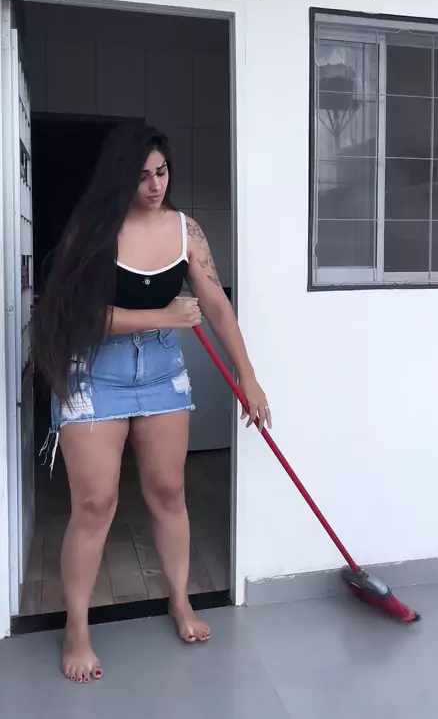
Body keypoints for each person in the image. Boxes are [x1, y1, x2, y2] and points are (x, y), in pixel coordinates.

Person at [34, 121, 271, 684]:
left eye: (161, 172)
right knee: (95, 504)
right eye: (142, 176)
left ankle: (180, 601)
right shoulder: (93, 230)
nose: (155, 185)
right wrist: (164, 314)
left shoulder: (187, 230)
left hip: (163, 372)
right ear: (120, 178)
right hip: (95, 373)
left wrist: (249, 376)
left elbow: (216, 305)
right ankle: (76, 628)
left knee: (168, 493)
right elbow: (76, 314)